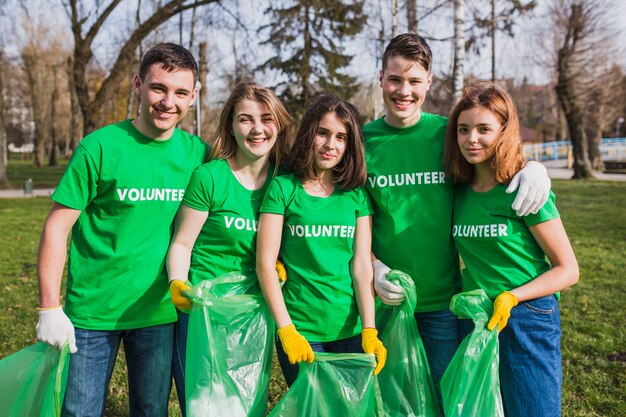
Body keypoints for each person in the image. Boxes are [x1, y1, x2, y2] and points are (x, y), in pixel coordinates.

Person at [363, 33, 552, 395]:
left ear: (428, 82)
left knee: (448, 398)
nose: (404, 90)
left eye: (415, 81)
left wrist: (532, 167)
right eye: (395, 79)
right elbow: (348, 214)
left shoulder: (447, 133)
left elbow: (490, 153)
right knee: (392, 401)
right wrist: (373, 264)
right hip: (384, 300)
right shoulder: (361, 140)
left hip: (445, 304)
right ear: (381, 78)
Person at [35, 43, 208, 417]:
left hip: (159, 314)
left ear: (194, 96)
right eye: (158, 88)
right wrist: (49, 306)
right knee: (79, 412)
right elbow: (56, 227)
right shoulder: (99, 147)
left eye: (180, 92)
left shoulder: (199, 155)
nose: (167, 102)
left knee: (151, 411)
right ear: (137, 85)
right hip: (92, 315)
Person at [444, 81, 579, 416]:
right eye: (463, 129)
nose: (471, 139)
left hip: (526, 316)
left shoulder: (525, 189)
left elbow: (568, 269)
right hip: (476, 318)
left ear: (504, 131)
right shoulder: (458, 192)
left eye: (483, 129)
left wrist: (513, 296)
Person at [166, 82, 292, 416]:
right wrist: (178, 282)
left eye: (266, 118)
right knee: (207, 402)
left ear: (278, 124)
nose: (257, 129)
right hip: (205, 310)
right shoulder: (210, 177)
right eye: (245, 119)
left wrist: (280, 263)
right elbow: (182, 242)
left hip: (254, 311)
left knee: (248, 399)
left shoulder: (285, 181)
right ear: (231, 128)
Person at [256, 94, 387, 387]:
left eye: (341, 137)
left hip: (350, 330)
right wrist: (286, 329)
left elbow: (362, 266)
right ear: (309, 134)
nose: (331, 145)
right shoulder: (282, 188)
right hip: (301, 330)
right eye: (323, 133)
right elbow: (265, 264)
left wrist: (369, 329)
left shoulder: (356, 195)